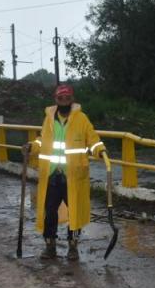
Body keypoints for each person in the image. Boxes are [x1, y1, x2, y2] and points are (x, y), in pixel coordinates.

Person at [23, 84, 105, 258]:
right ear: (56, 100)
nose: (64, 101)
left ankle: (73, 246)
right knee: (49, 212)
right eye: (61, 98)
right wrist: (32, 147)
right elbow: (42, 141)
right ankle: (50, 245)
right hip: (52, 175)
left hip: (72, 176)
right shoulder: (49, 120)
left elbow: (93, 139)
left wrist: (100, 150)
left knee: (74, 213)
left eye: (67, 98)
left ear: (72, 99)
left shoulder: (81, 119)